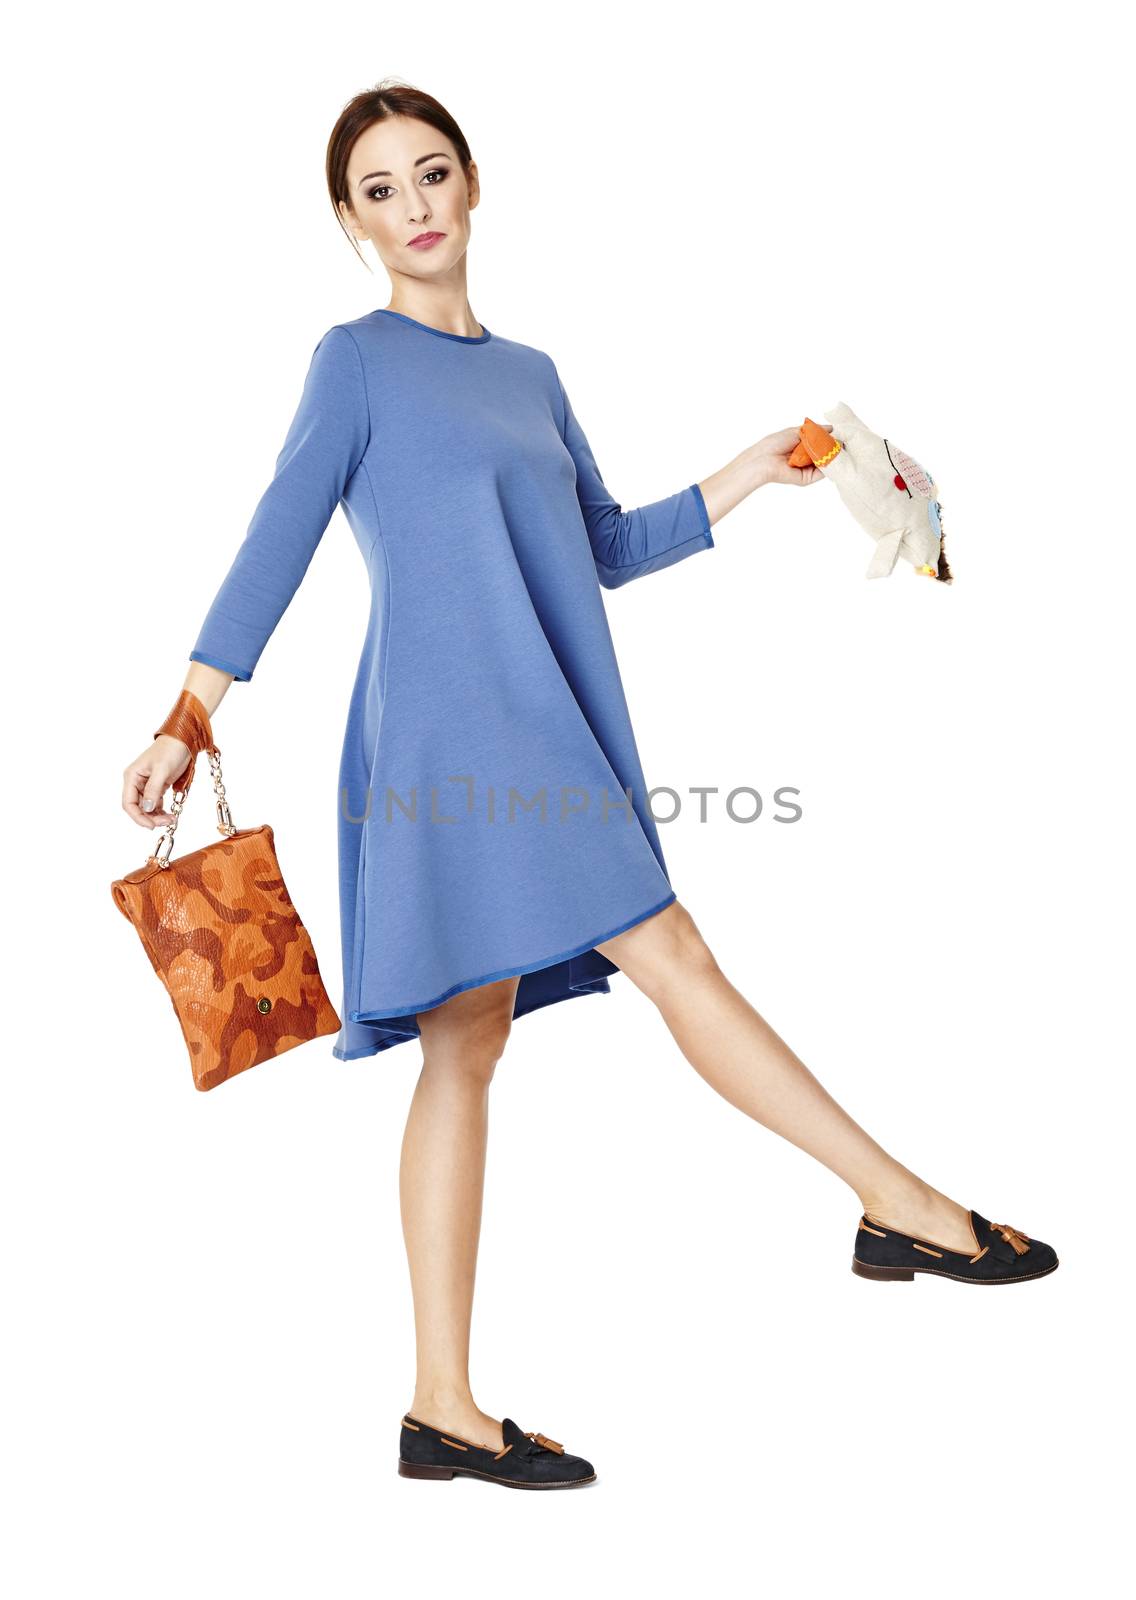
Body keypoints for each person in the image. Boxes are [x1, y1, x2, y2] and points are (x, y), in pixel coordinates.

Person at [120, 81, 1058, 1492]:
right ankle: (901, 1204)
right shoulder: (353, 362)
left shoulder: (531, 373)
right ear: (349, 221)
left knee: (468, 1043)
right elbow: (278, 535)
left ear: (475, 183)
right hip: (447, 744)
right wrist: (185, 716)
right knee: (659, 951)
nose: (416, 206)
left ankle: (442, 1407)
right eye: (381, 190)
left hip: (537, 719)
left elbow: (605, 545)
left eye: (433, 174)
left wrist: (756, 469)